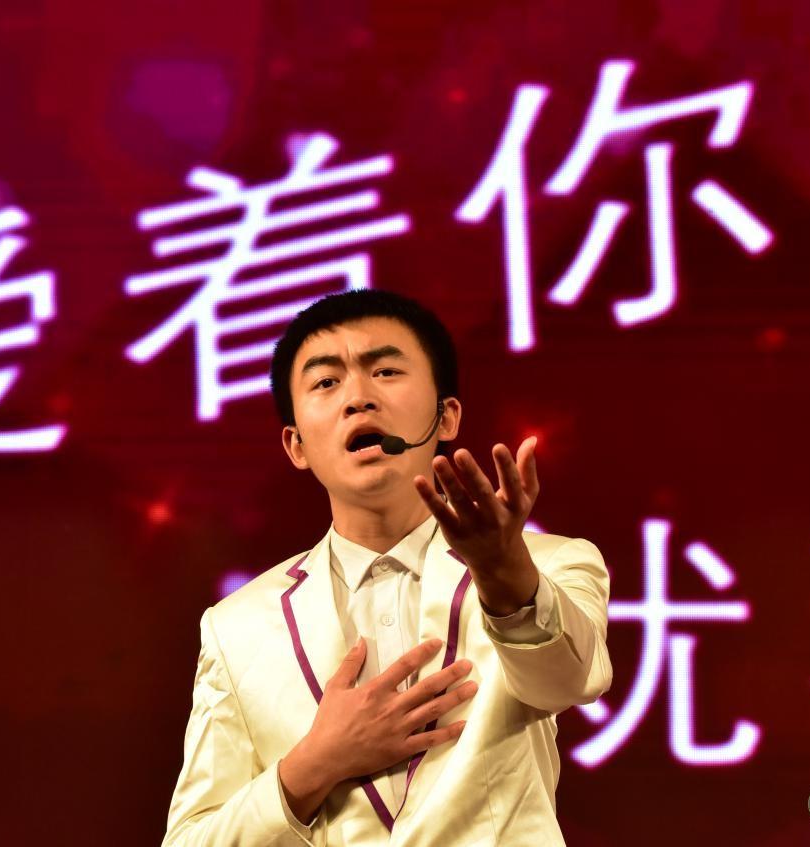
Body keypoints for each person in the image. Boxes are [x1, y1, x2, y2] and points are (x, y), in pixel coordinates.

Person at [162, 289, 612, 846]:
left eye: (386, 371)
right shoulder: (236, 627)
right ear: (296, 445)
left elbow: (569, 681)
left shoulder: (549, 565)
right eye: (326, 382)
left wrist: (504, 576)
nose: (358, 397)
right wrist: (315, 762)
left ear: (446, 416)